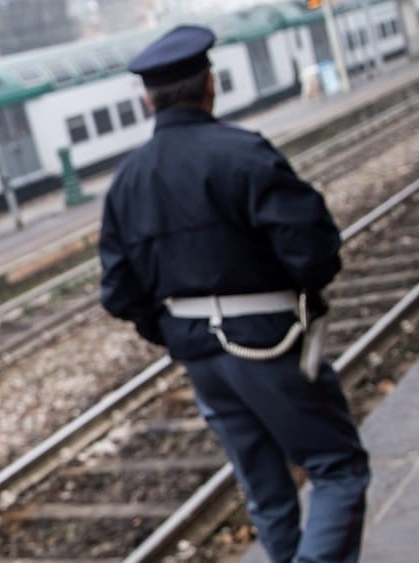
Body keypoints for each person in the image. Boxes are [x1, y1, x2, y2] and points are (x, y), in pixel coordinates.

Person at [98, 25, 369, 563]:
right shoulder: (243, 153)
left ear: (148, 100)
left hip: (201, 357)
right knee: (337, 468)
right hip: (268, 339)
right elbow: (314, 249)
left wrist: (177, 330)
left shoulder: (127, 181)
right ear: (210, 85)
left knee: (265, 488)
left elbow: (119, 290)